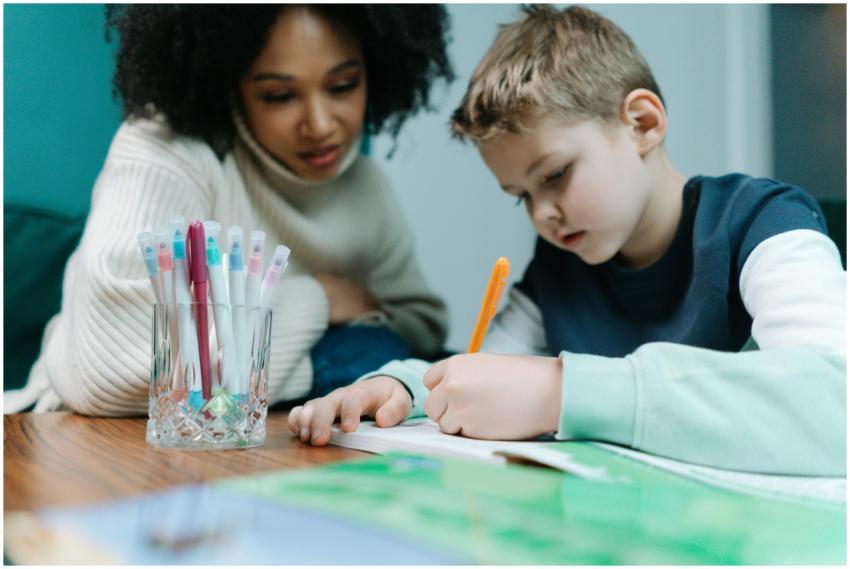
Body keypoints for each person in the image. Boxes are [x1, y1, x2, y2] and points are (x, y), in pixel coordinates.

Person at [288, 5, 846, 476]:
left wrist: (560, 393)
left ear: (643, 124)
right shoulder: (560, 264)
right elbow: (483, 375)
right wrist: (402, 388)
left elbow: (836, 400)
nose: (543, 215)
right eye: (521, 196)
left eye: (555, 175)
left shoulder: (764, 223)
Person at [5, 4, 454, 415]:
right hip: (85, 442)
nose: (320, 125)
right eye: (279, 95)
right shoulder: (164, 152)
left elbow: (419, 330)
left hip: (266, 430)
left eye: (342, 86)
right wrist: (319, 302)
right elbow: (112, 373)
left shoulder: (364, 185)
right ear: (227, 81)